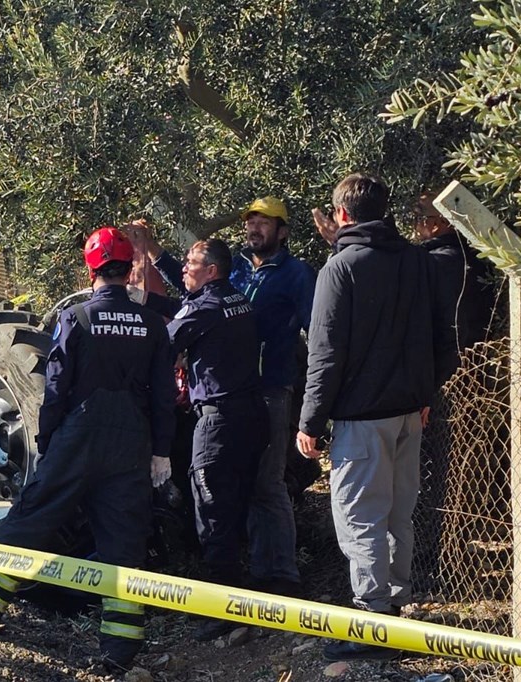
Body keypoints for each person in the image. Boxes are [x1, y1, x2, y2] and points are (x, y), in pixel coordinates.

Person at [0, 227, 176, 674]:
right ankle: (119, 651)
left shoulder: (78, 318)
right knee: (124, 542)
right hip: (133, 440)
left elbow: (56, 389)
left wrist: (51, 440)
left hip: (79, 434)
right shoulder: (151, 324)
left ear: (91, 271)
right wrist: (160, 451)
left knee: (32, 518)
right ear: (129, 271)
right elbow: (164, 394)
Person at [297, 173, 457, 662]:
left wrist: (310, 420)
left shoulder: (340, 269)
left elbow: (325, 354)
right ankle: (396, 605)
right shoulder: (415, 259)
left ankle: (372, 623)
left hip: (362, 418)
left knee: (360, 519)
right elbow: (439, 330)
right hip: (410, 411)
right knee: (396, 514)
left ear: (341, 215)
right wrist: (426, 390)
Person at [137, 199, 315, 596]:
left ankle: (282, 576)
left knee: (267, 484)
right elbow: (195, 296)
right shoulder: (235, 271)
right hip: (239, 394)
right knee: (241, 484)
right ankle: (253, 572)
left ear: (282, 231)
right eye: (250, 220)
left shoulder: (296, 274)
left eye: (263, 222)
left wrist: (316, 399)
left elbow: (317, 332)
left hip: (270, 388)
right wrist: (154, 254)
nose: (254, 227)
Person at [143, 238, 268, 641]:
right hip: (251, 415)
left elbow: (162, 346)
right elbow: (189, 313)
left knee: (212, 512)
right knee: (235, 507)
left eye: (191, 264)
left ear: (211, 270)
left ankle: (224, 610)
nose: (184, 270)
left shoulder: (205, 307)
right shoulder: (238, 299)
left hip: (218, 421)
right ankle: (248, 593)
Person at [415, 192, 495, 351]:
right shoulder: (479, 259)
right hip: (477, 356)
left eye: (417, 219)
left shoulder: (434, 263)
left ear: (437, 222)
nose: (415, 226)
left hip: (443, 360)